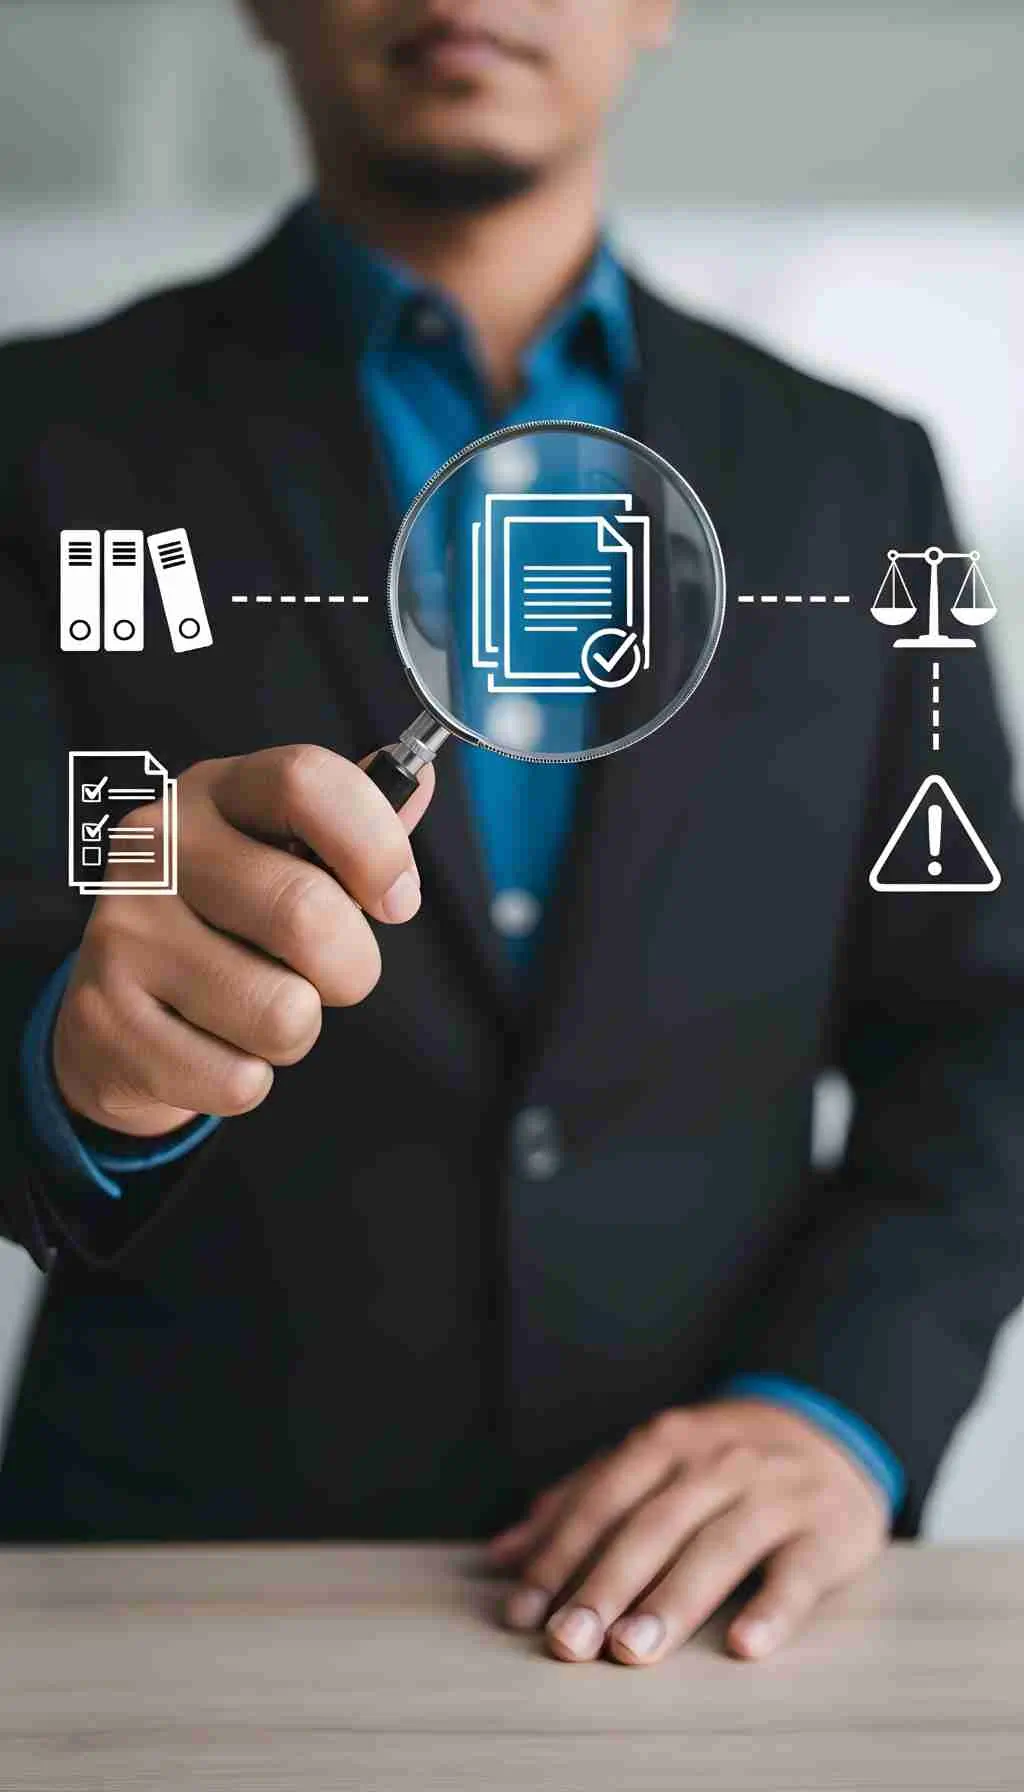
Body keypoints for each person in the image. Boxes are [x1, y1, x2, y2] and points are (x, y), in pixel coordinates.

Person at [1, 0, 1022, 1671]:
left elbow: (987, 1022)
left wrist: (835, 1410)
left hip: (706, 1632)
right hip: (157, 1615)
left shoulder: (861, 480)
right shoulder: (37, 439)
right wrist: (74, 1056)